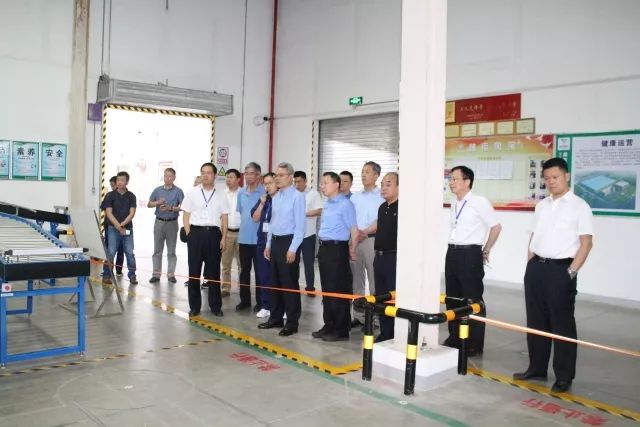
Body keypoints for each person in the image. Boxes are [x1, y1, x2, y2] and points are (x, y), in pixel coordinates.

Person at [514, 157, 593, 393]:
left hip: (561, 270)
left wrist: (570, 272)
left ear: (566, 176)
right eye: (547, 178)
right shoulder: (542, 205)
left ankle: (564, 376)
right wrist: (530, 263)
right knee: (536, 322)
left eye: (555, 177)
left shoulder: (580, 206)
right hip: (536, 268)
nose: (551, 182)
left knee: (562, 325)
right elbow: (534, 235)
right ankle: (537, 368)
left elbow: (586, 244)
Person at [443, 166, 502, 357]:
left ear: (467, 181)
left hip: (470, 254)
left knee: (472, 299)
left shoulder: (479, 202)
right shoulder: (454, 202)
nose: (451, 182)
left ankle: (474, 343)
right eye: (450, 179)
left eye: (455, 179)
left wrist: (486, 249)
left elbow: (496, 227)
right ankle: (455, 337)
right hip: (452, 252)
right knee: (453, 298)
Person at [258, 162, 306, 336]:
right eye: (276, 175)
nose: (277, 178)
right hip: (276, 243)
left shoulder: (298, 197)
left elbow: (300, 227)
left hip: (289, 242)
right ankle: (275, 317)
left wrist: (293, 249)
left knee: (289, 284)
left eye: (281, 175)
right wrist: (268, 245)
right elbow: (272, 223)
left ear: (290, 177)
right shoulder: (276, 197)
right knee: (274, 283)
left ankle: (292, 323)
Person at [312, 172, 358, 342]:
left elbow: (354, 229)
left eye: (326, 183)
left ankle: (341, 329)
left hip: (337, 250)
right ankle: (329, 324)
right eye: (321, 183)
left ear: (336, 184)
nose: (322, 186)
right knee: (327, 290)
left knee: (338, 290)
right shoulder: (327, 204)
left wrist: (352, 249)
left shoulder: (346, 204)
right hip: (324, 249)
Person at [181, 163, 229, 317]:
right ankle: (194, 307)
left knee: (214, 272)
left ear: (215, 175)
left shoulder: (221, 194)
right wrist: (189, 233)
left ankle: (215, 307)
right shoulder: (192, 193)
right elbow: (186, 215)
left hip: (214, 234)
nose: (205, 175)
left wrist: (224, 237)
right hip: (196, 234)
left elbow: (224, 217)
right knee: (194, 271)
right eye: (203, 172)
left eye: (209, 173)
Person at [350, 161, 384, 327]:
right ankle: (359, 316)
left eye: (368, 172)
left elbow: (381, 219)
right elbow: (351, 219)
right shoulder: (355, 197)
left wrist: (365, 232)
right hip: (355, 240)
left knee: (374, 279)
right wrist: (354, 239)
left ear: (376, 175)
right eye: (362, 171)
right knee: (357, 280)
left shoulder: (382, 196)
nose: (363, 174)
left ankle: (376, 317)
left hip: (372, 240)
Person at [373, 172, 399, 342]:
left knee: (393, 297)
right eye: (382, 184)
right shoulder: (382, 207)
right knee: (381, 297)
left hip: (393, 258)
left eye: (388, 184)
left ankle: (396, 334)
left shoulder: (403, 208)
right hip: (379, 258)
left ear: (399, 187)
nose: (383, 188)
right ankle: (385, 332)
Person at [236, 162, 265, 312]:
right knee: (244, 271)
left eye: (251, 173)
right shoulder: (241, 192)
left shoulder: (264, 193)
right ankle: (245, 300)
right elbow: (242, 213)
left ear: (258, 175)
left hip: (259, 240)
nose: (248, 176)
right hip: (244, 239)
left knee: (260, 273)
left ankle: (261, 302)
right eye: (246, 173)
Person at [147, 168, 184, 283]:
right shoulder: (157, 190)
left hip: (172, 223)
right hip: (159, 222)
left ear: (174, 178)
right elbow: (149, 204)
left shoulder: (178, 191)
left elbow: (183, 207)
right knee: (157, 250)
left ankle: (171, 275)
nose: (167, 178)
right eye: (165, 176)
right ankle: (156, 274)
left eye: (170, 176)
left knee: (171, 251)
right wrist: (157, 203)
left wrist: (171, 208)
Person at [102, 171, 138, 285]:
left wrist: (122, 225)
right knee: (111, 252)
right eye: (118, 180)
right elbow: (108, 213)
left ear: (127, 182)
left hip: (127, 229)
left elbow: (132, 213)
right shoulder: (110, 195)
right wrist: (118, 226)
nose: (119, 182)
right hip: (113, 229)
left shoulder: (131, 196)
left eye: (122, 180)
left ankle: (132, 275)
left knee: (129, 252)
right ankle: (107, 275)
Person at [251, 172, 277, 319]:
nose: (267, 186)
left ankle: (280, 307)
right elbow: (255, 218)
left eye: (270, 183)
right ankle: (266, 305)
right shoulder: (264, 200)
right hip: (262, 241)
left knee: (278, 276)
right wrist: (261, 204)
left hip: (278, 242)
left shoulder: (281, 200)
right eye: (265, 184)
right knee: (263, 275)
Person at [293, 171, 323, 296]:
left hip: (308, 235)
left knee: (308, 263)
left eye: (299, 181)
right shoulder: (293, 194)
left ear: (305, 181)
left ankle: (310, 288)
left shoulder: (313, 194)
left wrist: (303, 214)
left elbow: (319, 211)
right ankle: (293, 287)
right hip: (294, 235)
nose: (296, 184)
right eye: (295, 182)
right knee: (293, 262)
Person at [220, 169, 242, 296]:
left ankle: (242, 288)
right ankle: (225, 288)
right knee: (226, 263)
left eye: (231, 177)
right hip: (226, 233)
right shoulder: (222, 194)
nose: (228, 179)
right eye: (227, 177)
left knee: (242, 264)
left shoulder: (243, 193)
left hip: (242, 233)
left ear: (238, 179)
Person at [101, 176, 124, 276]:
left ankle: (119, 270)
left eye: (114, 185)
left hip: (122, 226)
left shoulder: (126, 196)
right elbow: (104, 207)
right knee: (109, 249)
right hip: (109, 225)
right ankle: (107, 271)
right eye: (111, 186)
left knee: (121, 248)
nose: (113, 187)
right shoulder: (109, 195)